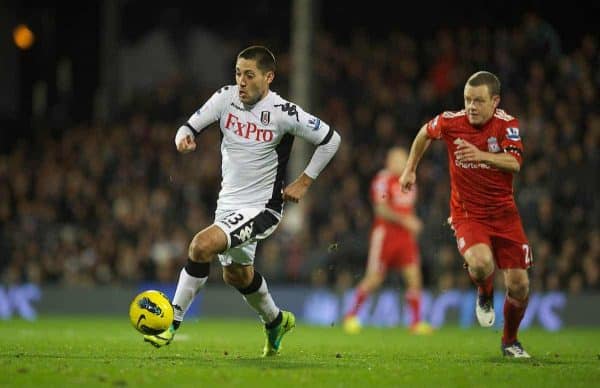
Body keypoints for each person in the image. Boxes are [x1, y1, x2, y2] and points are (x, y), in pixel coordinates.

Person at [143, 45, 341, 357]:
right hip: (228, 205)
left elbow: (331, 139)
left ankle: (171, 322)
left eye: (249, 75)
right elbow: (189, 125)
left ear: (269, 77)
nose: (241, 81)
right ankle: (276, 321)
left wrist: (304, 182)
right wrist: (182, 137)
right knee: (236, 275)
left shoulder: (284, 112)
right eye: (238, 73)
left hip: (263, 208)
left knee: (200, 246)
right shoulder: (225, 98)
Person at [400, 71, 532, 358]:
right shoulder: (451, 121)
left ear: (495, 101)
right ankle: (485, 293)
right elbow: (424, 133)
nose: (471, 106)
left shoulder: (507, 125)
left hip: (505, 215)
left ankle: (510, 341)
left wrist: (481, 155)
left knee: (520, 285)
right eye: (467, 100)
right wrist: (411, 168)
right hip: (467, 214)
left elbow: (515, 163)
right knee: (482, 263)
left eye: (479, 101)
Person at [343, 147, 432, 335]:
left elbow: (408, 209)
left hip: (405, 237)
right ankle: (350, 316)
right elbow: (380, 209)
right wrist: (406, 221)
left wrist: (412, 226)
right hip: (385, 235)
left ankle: (415, 323)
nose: (400, 164)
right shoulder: (383, 180)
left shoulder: (410, 181)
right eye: (396, 160)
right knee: (374, 278)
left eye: (403, 160)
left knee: (414, 277)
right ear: (389, 162)